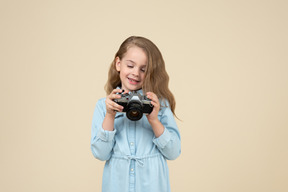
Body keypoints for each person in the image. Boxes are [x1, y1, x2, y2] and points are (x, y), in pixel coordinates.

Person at [91, 36, 181, 192]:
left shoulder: (159, 105)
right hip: (117, 185)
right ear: (118, 64)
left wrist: (154, 120)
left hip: (152, 185)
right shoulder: (104, 106)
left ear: (150, 72)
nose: (135, 73)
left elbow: (173, 153)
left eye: (143, 69)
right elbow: (100, 154)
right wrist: (110, 115)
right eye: (130, 65)